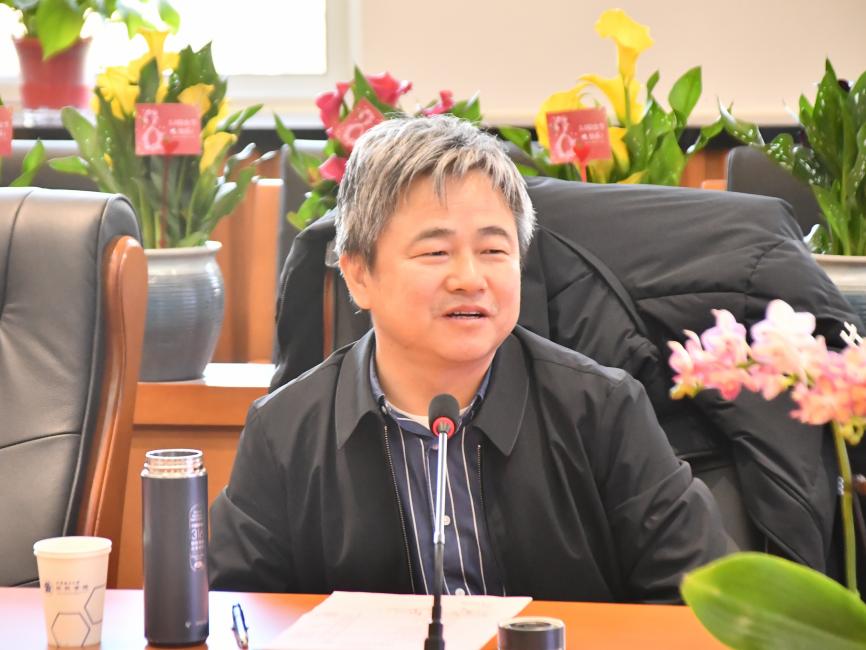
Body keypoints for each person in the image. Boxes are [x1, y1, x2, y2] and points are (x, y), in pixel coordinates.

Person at [208, 115, 728, 602]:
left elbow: (704, 601)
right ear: (359, 274)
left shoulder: (603, 410)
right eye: (435, 252)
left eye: (494, 251)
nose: (469, 279)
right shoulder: (285, 431)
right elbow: (235, 612)